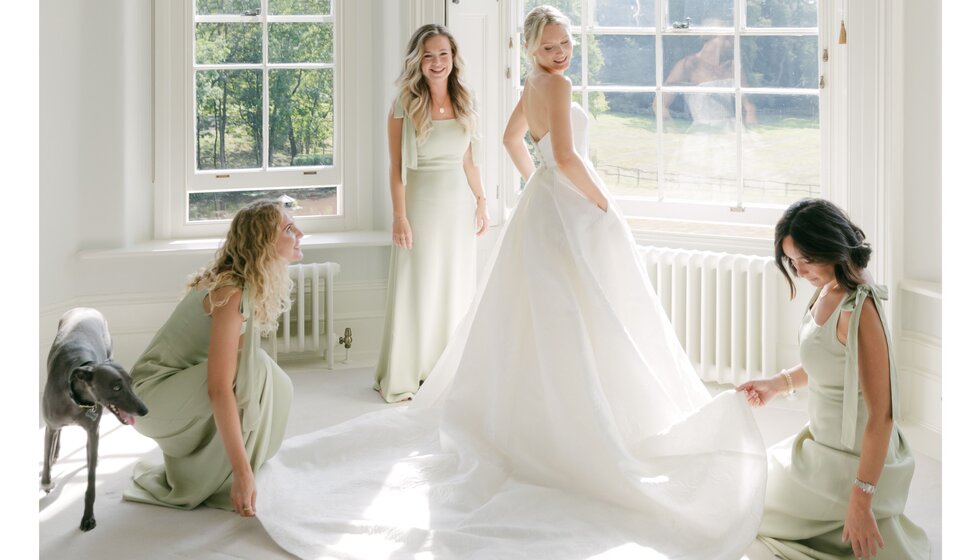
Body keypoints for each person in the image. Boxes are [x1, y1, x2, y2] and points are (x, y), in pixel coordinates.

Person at [255, 7, 766, 559]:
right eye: (549, 47)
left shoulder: (531, 83)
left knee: (550, 312)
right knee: (577, 310)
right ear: (530, 50)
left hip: (544, 206)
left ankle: (540, 419)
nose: (561, 53)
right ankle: (570, 427)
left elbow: (511, 139)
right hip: (566, 205)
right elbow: (566, 156)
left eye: (566, 43)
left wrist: (538, 179)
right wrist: (602, 202)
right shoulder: (558, 84)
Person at [737, 198, 930, 559]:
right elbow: (829, 362)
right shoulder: (827, 286)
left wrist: (861, 499)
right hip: (821, 443)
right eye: (792, 262)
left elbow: (882, 415)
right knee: (746, 489)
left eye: (805, 260)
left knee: (747, 512)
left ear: (831, 246)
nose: (799, 270)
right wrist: (777, 384)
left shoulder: (860, 308)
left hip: (853, 459)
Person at [123, 200, 300, 518]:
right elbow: (219, 388)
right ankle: (232, 475)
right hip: (148, 399)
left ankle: (236, 468)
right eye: (288, 229)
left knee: (272, 378)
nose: (300, 232)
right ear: (263, 243)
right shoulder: (230, 292)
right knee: (253, 369)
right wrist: (242, 471)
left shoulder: (242, 284)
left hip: (168, 390)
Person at [374, 23, 490, 403]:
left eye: (443, 54)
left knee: (453, 286)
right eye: (429, 56)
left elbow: (469, 161)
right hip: (420, 208)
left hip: (458, 209)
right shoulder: (403, 104)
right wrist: (399, 216)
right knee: (418, 287)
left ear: (453, 58)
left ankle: (447, 373)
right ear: (417, 61)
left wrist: (482, 201)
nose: (437, 62)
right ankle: (411, 372)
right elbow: (395, 169)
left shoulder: (465, 100)